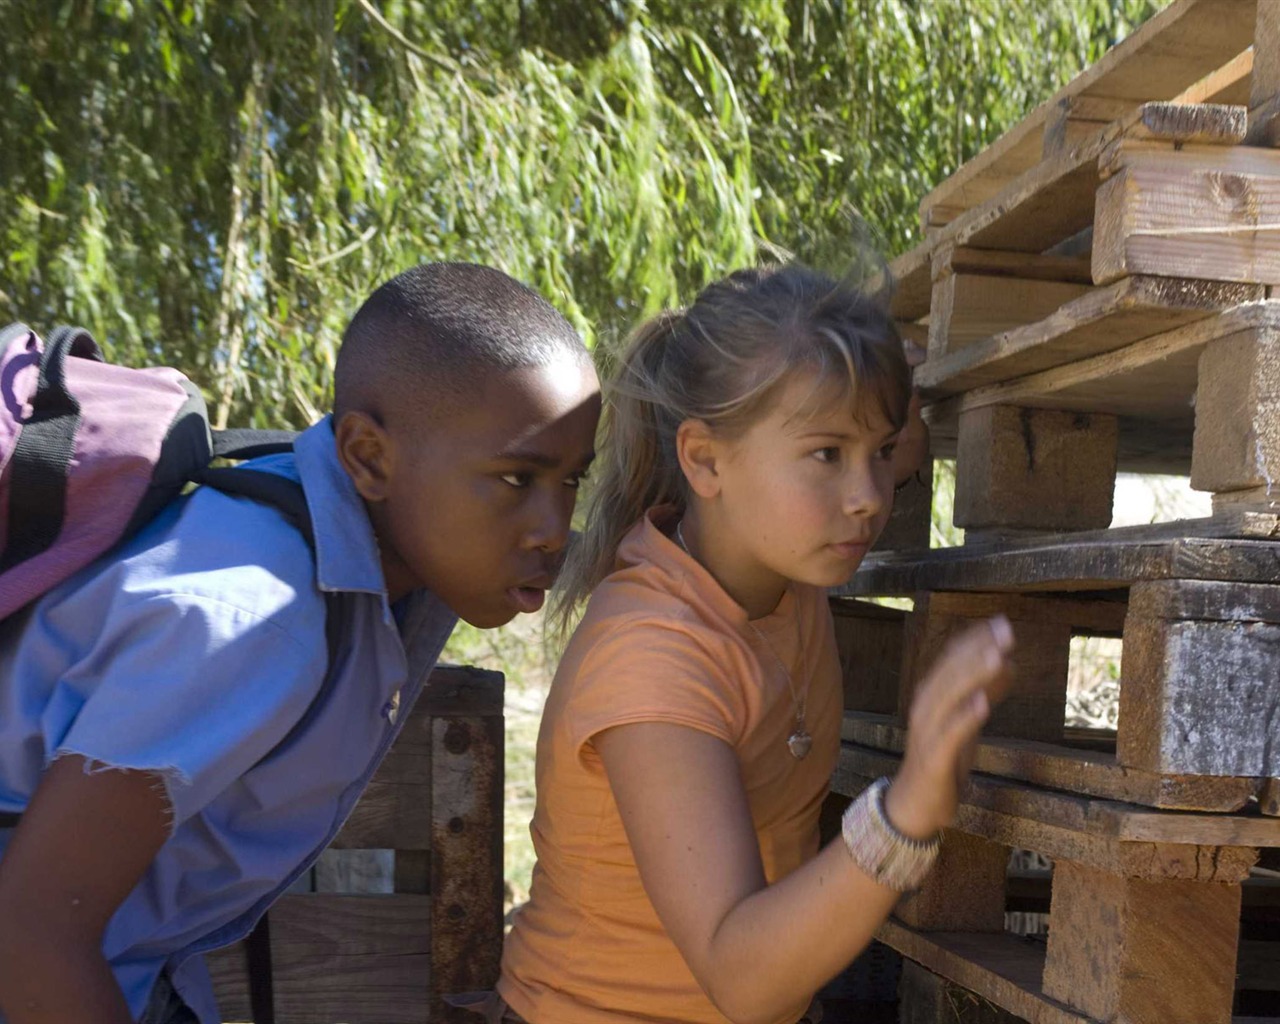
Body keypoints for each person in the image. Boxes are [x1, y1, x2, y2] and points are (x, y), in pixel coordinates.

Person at [0, 263, 602, 1024]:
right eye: (518, 479)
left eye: (573, 480)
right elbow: (30, 934)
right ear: (370, 457)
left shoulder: (374, 526)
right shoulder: (256, 623)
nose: (551, 528)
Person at [486, 264, 1014, 1024]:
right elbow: (739, 978)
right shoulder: (654, 656)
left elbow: (893, 434)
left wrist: (888, 373)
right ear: (703, 460)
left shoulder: (778, 555)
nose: (868, 496)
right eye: (828, 454)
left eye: (881, 451)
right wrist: (904, 815)